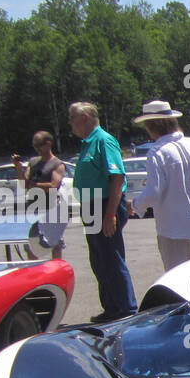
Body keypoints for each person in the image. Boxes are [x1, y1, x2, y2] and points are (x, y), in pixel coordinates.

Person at [130, 100, 190, 271]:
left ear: (151, 126)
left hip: (173, 229)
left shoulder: (157, 152)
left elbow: (153, 193)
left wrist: (135, 205)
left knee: (176, 279)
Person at [69, 101, 136, 322]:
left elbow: (117, 178)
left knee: (112, 259)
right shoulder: (87, 143)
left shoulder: (104, 141)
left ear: (85, 118)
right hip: (91, 207)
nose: (71, 124)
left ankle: (126, 310)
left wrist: (110, 215)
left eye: (73, 119)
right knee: (99, 260)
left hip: (105, 206)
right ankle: (111, 308)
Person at [12, 130, 67, 258]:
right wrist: (19, 168)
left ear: (48, 144)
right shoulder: (33, 162)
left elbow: (53, 186)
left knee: (55, 243)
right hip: (33, 208)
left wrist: (34, 185)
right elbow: (24, 184)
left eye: (39, 145)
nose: (37, 149)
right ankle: (34, 271)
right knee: (30, 244)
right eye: (34, 146)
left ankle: (56, 271)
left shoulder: (57, 164)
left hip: (51, 209)